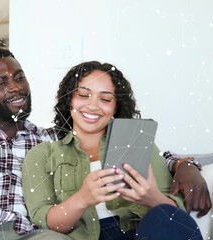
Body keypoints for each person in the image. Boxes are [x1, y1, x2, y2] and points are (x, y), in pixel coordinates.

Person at [0, 49, 209, 239]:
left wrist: (185, 165)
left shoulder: (50, 139)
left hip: (34, 234)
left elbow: (135, 152)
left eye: (19, 77)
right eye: (0, 82)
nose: (15, 88)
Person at [22, 61, 203, 239]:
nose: (93, 105)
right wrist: (82, 199)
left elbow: (177, 219)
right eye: (84, 95)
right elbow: (45, 222)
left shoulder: (137, 143)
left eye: (106, 99)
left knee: (164, 215)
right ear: (69, 99)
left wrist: (151, 197)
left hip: (142, 233)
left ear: (116, 106)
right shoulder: (43, 154)